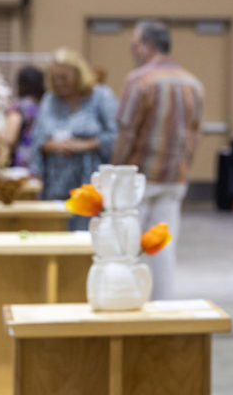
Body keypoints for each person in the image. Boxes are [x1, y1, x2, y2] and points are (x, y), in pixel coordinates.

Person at [111, 21, 203, 298]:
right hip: (174, 178)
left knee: (126, 246)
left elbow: (127, 133)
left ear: (146, 46)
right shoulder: (193, 83)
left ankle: (128, 301)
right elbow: (195, 136)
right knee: (162, 248)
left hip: (140, 177)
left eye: (134, 46)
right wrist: (185, 164)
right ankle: (161, 306)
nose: (133, 51)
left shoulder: (139, 80)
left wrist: (116, 172)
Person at [30, 47, 118, 231]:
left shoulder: (101, 96)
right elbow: (37, 140)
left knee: (89, 236)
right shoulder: (49, 100)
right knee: (56, 235)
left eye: (64, 77)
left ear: (79, 74)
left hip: (91, 185)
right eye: (55, 77)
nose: (59, 82)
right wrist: (54, 146)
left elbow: (116, 136)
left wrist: (84, 145)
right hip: (55, 184)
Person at [1, 65, 45, 170]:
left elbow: (10, 139)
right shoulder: (44, 105)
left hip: (22, 159)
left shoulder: (19, 105)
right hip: (40, 159)